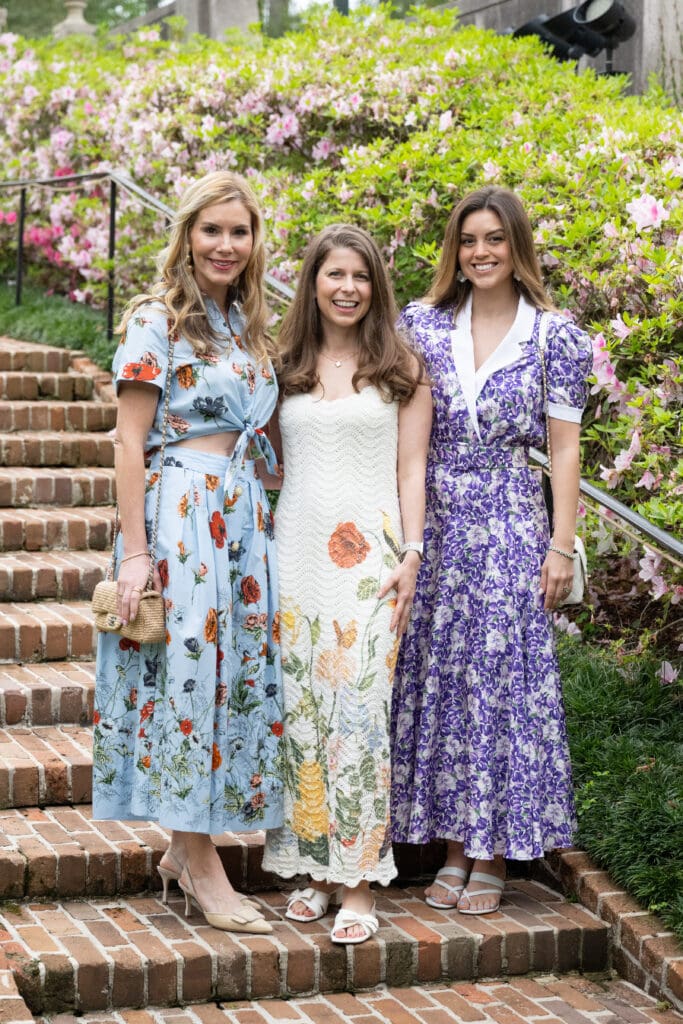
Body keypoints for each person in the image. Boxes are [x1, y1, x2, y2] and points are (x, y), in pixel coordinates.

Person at [391, 186, 593, 915]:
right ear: (455, 248)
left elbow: (564, 452)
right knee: (442, 679)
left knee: (498, 685)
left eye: (494, 240)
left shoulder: (554, 336)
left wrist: (560, 546)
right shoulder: (421, 324)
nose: (480, 251)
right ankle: (450, 847)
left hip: (509, 522)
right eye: (468, 239)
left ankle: (492, 856)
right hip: (434, 525)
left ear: (517, 248)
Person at [93, 171, 283, 935]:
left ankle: (185, 849)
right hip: (180, 514)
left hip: (240, 518)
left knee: (222, 680)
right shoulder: (155, 320)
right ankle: (202, 865)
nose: (226, 245)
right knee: (186, 681)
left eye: (239, 232)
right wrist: (136, 556)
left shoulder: (247, 325)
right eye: (213, 230)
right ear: (187, 234)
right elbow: (129, 444)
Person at [262, 224, 432, 944]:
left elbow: (411, 470)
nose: (346, 288)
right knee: (300, 712)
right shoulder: (283, 367)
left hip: (370, 565)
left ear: (375, 287)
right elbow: (267, 465)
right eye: (333, 275)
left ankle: (358, 881)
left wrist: (413, 553)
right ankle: (310, 870)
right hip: (292, 560)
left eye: (359, 276)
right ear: (312, 283)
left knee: (359, 714)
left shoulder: (402, 369)